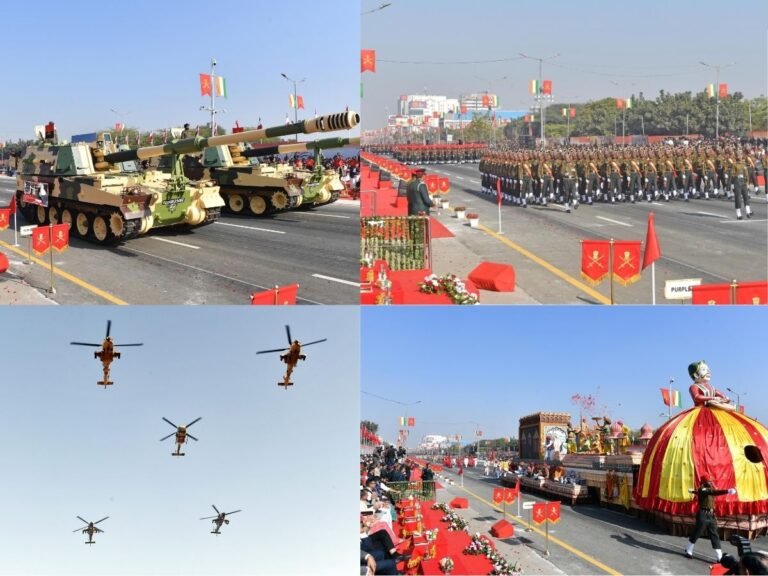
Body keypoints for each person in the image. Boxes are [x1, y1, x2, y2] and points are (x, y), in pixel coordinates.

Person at [684, 474, 737, 560]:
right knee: (697, 532)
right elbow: (712, 492)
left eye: (711, 480)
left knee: (714, 534)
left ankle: (719, 557)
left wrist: (693, 491)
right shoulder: (703, 489)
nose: (711, 482)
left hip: (711, 515)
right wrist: (727, 491)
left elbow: (705, 492)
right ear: (704, 482)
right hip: (703, 514)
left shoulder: (706, 489)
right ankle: (688, 550)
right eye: (709, 481)